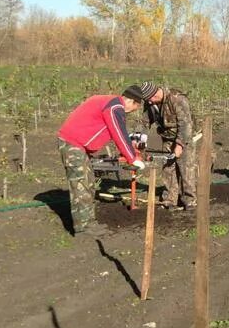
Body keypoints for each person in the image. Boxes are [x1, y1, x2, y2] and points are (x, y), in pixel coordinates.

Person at [57, 85, 146, 235]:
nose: (133, 110)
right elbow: (118, 132)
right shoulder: (115, 107)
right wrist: (132, 158)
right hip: (73, 144)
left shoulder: (107, 101)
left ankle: (87, 222)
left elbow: (115, 132)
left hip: (78, 144)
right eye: (135, 107)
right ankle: (84, 228)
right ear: (131, 100)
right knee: (81, 185)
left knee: (89, 182)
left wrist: (130, 151)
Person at [139, 81, 197, 210]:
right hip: (167, 138)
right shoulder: (151, 103)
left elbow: (186, 124)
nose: (148, 103)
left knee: (186, 170)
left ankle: (189, 200)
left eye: (149, 100)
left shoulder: (177, 99)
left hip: (183, 138)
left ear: (154, 95)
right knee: (168, 169)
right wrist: (140, 139)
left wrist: (180, 144)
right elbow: (144, 122)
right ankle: (170, 199)